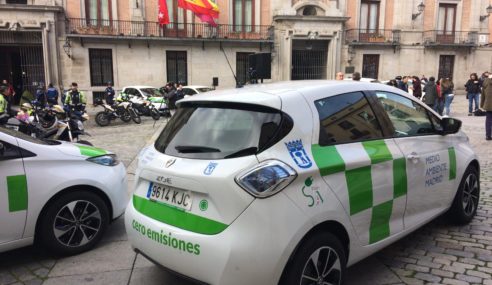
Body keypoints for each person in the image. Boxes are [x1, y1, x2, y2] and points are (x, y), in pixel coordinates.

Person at [480, 74, 492, 140]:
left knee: (488, 120)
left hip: (488, 105)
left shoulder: (485, 82)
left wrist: (482, 105)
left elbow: (483, 95)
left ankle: (488, 135)